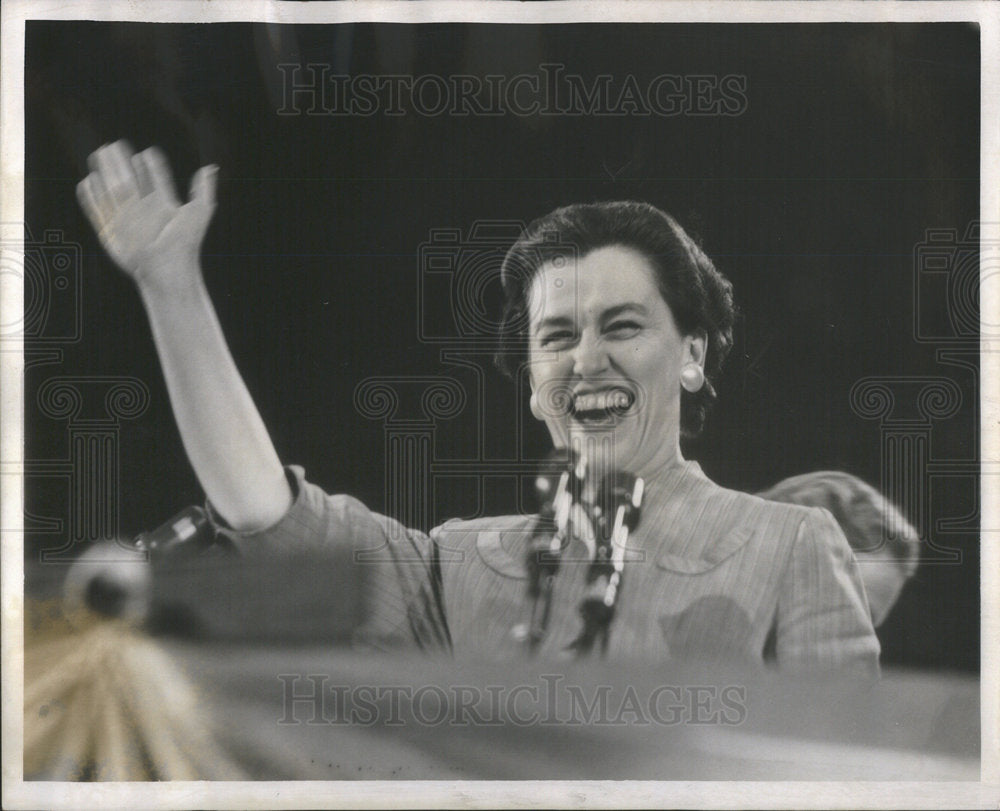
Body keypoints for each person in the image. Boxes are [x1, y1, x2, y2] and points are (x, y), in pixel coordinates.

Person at [76, 140, 880, 673]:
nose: (587, 360)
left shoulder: (792, 544)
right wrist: (170, 285)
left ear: (694, 354)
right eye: (557, 335)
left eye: (623, 325)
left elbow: (848, 775)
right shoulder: (456, 566)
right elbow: (264, 511)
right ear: (532, 382)